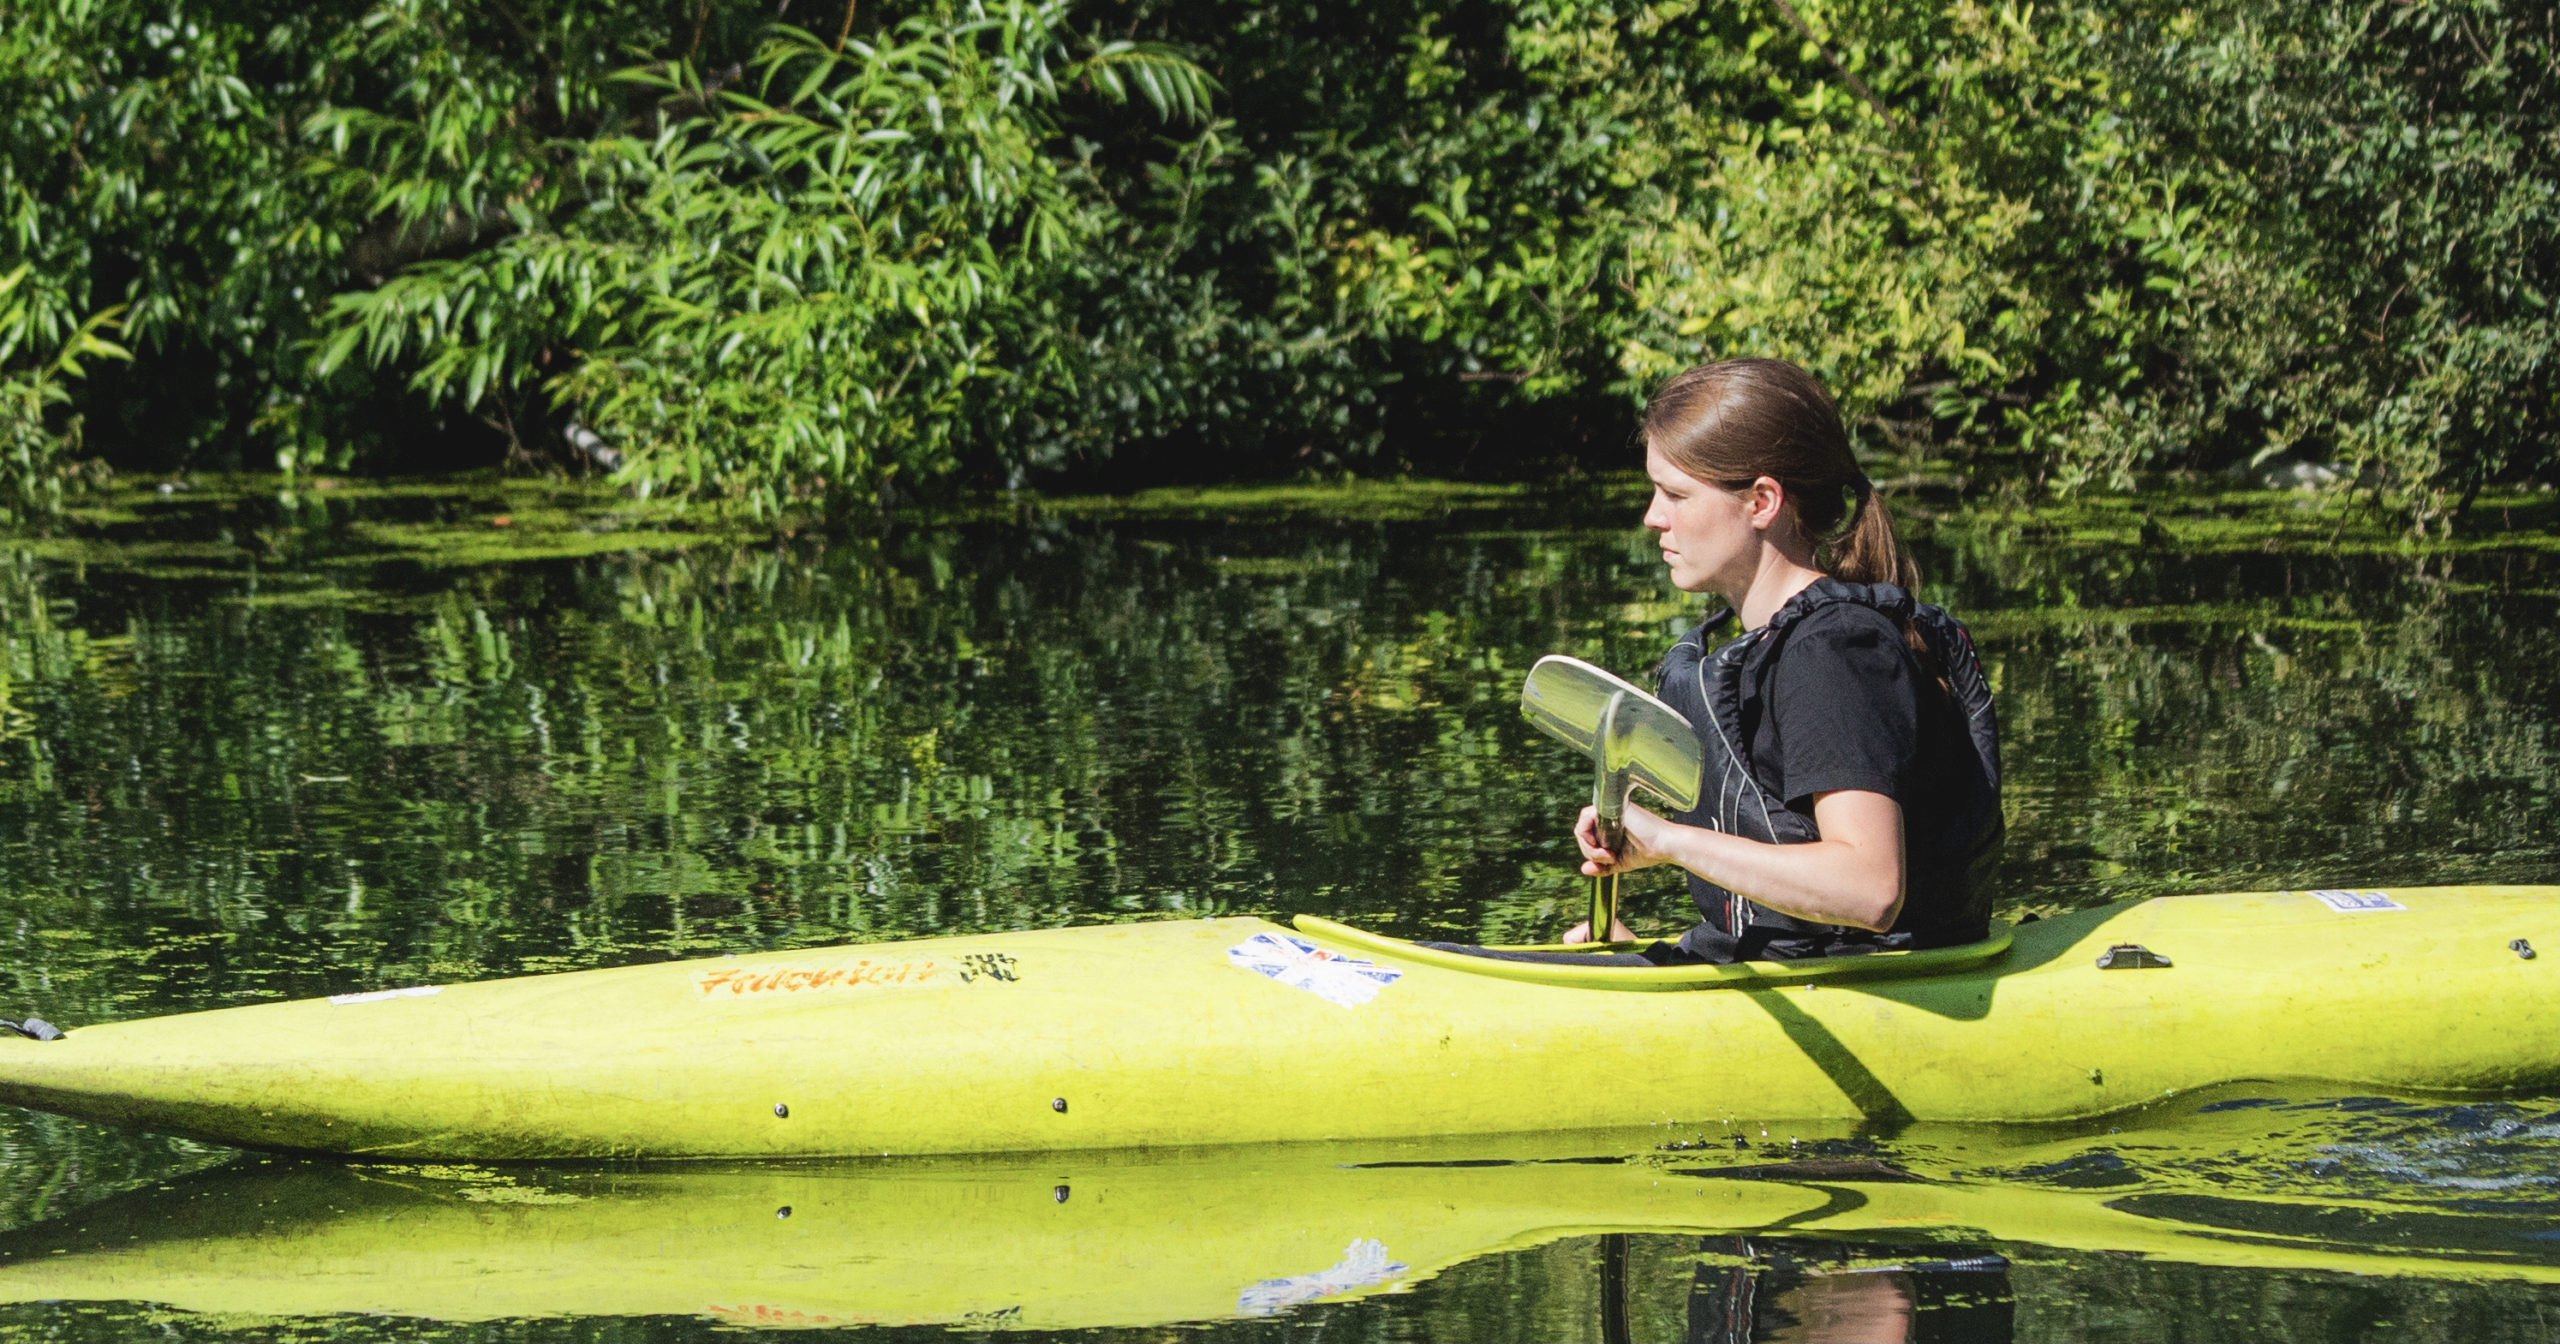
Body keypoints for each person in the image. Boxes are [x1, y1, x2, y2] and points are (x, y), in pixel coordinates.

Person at [1564, 358, 2004, 962]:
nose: (1652, 516)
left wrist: (1669, 840)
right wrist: (1636, 950)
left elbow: (1870, 888)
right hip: (1782, 970)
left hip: (1868, 986)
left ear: (1762, 501)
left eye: (1675, 494)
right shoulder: (1767, 645)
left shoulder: (1834, 653)